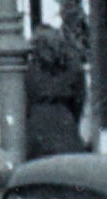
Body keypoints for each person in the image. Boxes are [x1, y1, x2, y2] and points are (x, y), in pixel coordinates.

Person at [23, 27, 87, 158]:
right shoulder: (70, 71)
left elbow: (27, 101)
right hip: (65, 124)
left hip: (38, 127)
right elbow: (79, 99)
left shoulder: (30, 71)